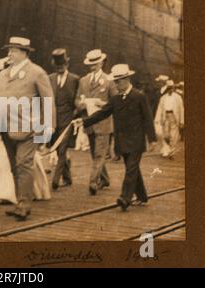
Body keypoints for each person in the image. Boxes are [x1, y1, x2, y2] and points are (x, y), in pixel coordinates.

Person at [0, 35, 56, 221]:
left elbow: (48, 100)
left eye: (13, 50)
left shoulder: (37, 73)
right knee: (14, 167)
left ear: (24, 53)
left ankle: (24, 205)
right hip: (5, 128)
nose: (9, 54)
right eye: (9, 50)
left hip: (28, 129)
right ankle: (20, 200)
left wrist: (48, 127)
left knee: (23, 164)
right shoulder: (3, 74)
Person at [74, 64, 157, 211]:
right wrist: (84, 121)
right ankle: (142, 195)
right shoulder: (116, 99)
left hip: (136, 140)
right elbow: (102, 113)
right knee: (132, 169)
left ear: (126, 80)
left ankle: (125, 198)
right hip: (122, 141)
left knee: (131, 169)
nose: (115, 85)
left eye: (117, 82)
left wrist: (152, 139)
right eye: (115, 82)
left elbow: (148, 119)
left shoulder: (139, 96)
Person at [75, 49, 118, 195]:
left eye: (95, 63)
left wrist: (103, 104)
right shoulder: (83, 81)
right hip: (90, 123)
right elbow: (77, 99)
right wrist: (80, 104)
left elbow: (116, 101)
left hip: (104, 123)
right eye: (90, 64)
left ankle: (93, 183)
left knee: (99, 154)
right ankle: (105, 179)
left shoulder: (109, 80)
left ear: (101, 63)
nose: (92, 66)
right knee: (95, 154)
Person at [48, 48, 79, 190]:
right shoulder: (50, 79)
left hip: (68, 120)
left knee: (62, 150)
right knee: (57, 148)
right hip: (54, 121)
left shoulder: (75, 80)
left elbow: (77, 100)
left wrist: (76, 115)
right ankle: (67, 177)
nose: (60, 68)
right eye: (57, 66)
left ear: (67, 64)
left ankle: (55, 180)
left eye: (62, 65)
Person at [155, 80, 184, 159]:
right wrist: (157, 119)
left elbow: (181, 109)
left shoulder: (178, 97)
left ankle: (172, 152)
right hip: (165, 117)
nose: (171, 89)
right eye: (169, 88)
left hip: (174, 117)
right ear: (167, 88)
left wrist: (182, 121)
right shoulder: (163, 98)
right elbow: (159, 108)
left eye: (172, 88)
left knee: (174, 135)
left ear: (174, 88)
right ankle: (165, 150)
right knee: (165, 135)